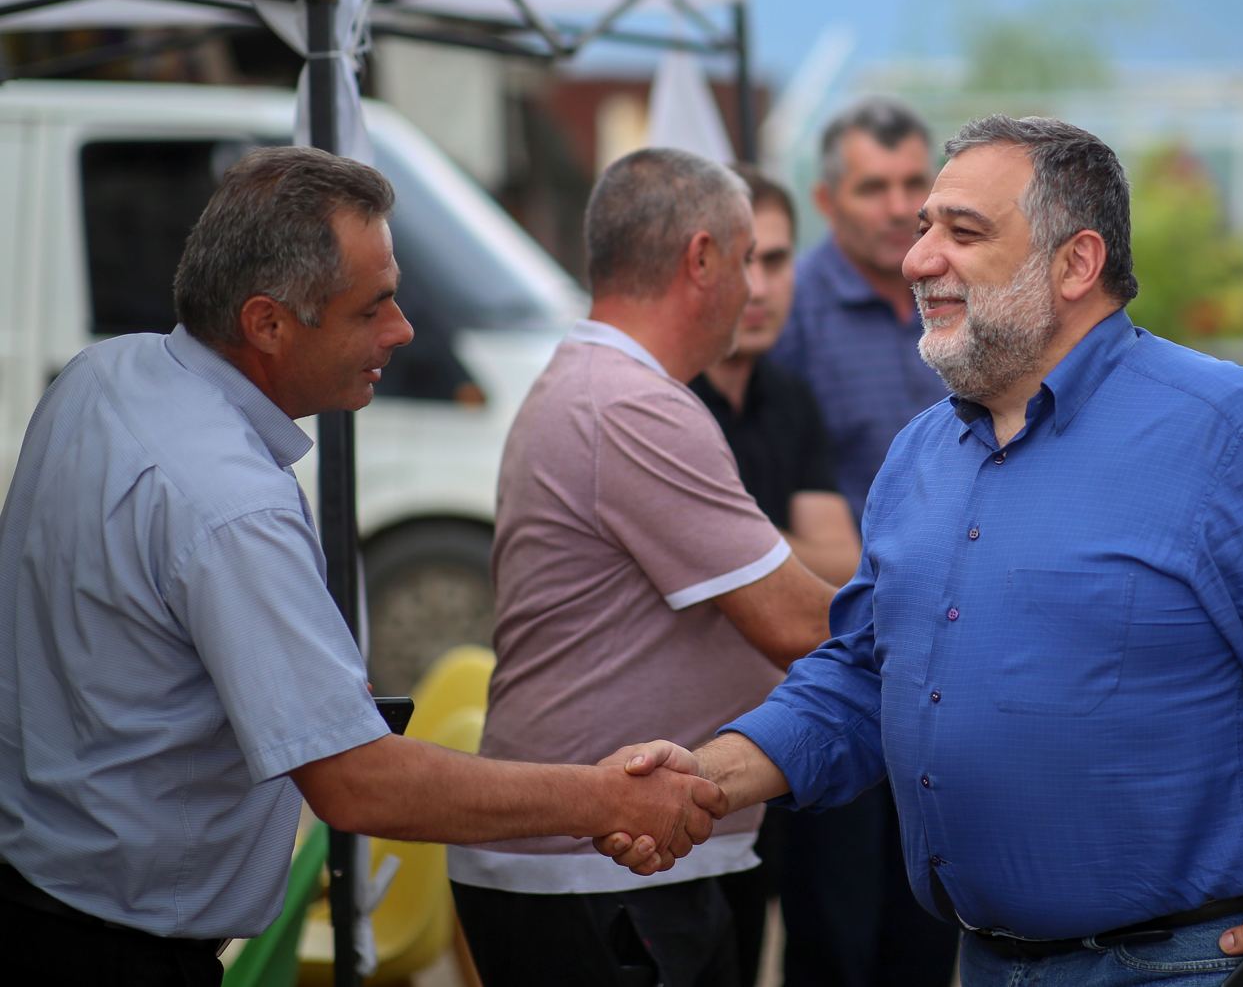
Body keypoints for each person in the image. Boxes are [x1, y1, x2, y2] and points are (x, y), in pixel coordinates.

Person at [0, 146, 725, 987]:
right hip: (107, 943)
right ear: (267, 323)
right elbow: (358, 785)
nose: (403, 330)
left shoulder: (101, 374)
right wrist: (610, 799)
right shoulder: (228, 503)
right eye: (371, 308)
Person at [601, 116, 1243, 987]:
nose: (919, 259)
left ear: (1076, 264)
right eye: (926, 229)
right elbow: (859, 676)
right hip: (986, 965)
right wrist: (707, 777)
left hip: (1187, 968)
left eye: (963, 233)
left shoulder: (1228, 433)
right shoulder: (921, 451)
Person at [449, 148, 836, 987]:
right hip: (599, 874)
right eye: (744, 260)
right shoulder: (633, 404)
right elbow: (799, 625)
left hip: (606, 868)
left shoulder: (601, 384)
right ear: (700, 259)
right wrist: (959, 610)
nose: (753, 288)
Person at [771, 99, 956, 985]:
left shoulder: (961, 299)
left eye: (913, 183)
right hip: (844, 657)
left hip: (951, 668)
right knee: (838, 932)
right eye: (871, 186)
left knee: (933, 921)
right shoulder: (794, 311)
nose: (896, 206)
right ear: (826, 197)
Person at [689, 166, 861, 985]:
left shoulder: (789, 396)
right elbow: (802, 583)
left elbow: (845, 556)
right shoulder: (666, 401)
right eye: (740, 258)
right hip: (683, 761)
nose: (758, 287)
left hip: (789, 739)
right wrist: (779, 545)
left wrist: (741, 540)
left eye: (780, 259)